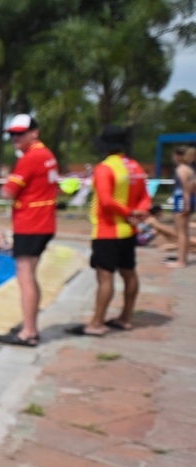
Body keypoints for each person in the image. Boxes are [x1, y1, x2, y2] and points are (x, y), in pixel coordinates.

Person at [69, 126, 151, 336]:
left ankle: (96, 323)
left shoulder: (104, 168)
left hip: (108, 230)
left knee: (105, 277)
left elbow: (105, 201)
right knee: (129, 273)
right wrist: (138, 212)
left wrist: (128, 212)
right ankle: (125, 317)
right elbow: (145, 196)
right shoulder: (135, 167)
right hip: (129, 232)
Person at [0, 115, 59, 348]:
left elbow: (8, 192)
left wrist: (6, 184)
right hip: (43, 222)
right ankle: (29, 323)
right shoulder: (47, 155)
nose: (15, 138)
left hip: (31, 223)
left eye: (20, 133)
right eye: (12, 134)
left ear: (34, 133)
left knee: (25, 277)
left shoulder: (31, 157)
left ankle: (28, 332)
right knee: (30, 275)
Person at [166, 146, 194, 268]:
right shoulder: (190, 169)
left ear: (179, 156)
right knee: (183, 231)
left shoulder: (181, 169)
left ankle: (182, 261)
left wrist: (186, 205)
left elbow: (185, 190)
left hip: (182, 199)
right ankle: (182, 257)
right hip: (187, 199)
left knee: (181, 232)